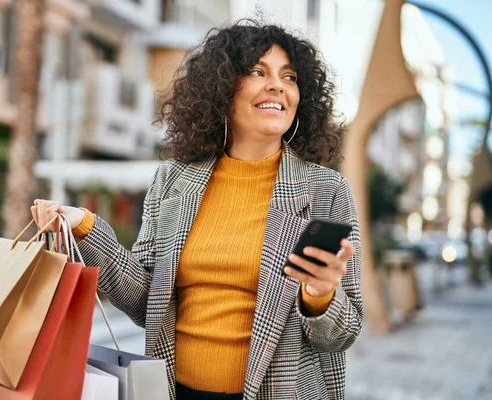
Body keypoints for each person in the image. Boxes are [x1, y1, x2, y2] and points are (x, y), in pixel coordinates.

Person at [32, 19, 362, 400]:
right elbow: (146, 301)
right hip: (175, 392)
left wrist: (320, 293)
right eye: (257, 71)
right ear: (222, 89)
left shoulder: (326, 190)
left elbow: (341, 335)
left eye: (289, 77)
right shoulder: (173, 181)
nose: (277, 85)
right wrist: (85, 227)